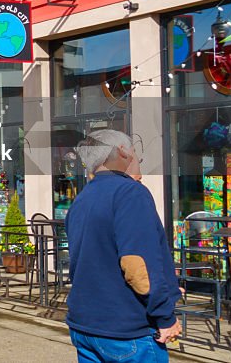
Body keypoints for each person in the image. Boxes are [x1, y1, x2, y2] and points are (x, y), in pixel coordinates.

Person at [66, 129, 183, 362]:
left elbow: (95, 259)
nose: (138, 159)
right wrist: (165, 316)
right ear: (122, 152)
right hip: (126, 331)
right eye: (135, 152)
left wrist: (168, 287)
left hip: (85, 326)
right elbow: (137, 266)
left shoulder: (82, 199)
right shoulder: (131, 193)